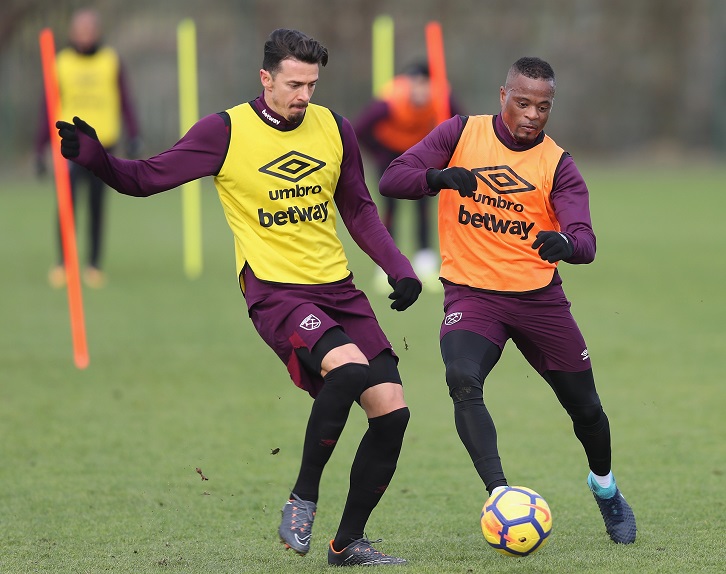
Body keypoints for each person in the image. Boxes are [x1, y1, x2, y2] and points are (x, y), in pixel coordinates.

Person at [56, 28, 420, 566]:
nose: (303, 96)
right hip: (275, 290)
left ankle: (348, 543)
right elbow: (146, 178)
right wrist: (98, 161)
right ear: (265, 78)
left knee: (392, 413)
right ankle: (302, 499)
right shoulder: (225, 131)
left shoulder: (334, 128)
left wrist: (398, 267)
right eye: (294, 84)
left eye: (312, 85)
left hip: (338, 288)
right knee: (346, 372)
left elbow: (360, 208)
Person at [379, 57, 636, 545]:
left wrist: (565, 245)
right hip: (474, 296)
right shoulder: (460, 133)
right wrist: (438, 178)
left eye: (543, 106)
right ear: (503, 97)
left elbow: (585, 240)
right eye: (523, 102)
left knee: (586, 409)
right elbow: (393, 178)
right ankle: (501, 497)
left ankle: (606, 490)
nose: (532, 114)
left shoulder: (558, 164)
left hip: (539, 301)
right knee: (461, 378)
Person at [36, 7, 141, 289]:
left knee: (97, 206)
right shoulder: (61, 62)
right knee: (66, 206)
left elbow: (124, 98)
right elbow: (47, 105)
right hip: (68, 145)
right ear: (72, 32)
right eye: (80, 30)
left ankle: (93, 265)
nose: (85, 35)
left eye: (89, 30)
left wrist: (133, 134)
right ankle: (63, 264)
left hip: (101, 144)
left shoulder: (110, 60)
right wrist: (39, 148)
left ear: (97, 32)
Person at [354, 62, 460, 291]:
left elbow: (463, 124)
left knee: (423, 209)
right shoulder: (390, 102)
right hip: (390, 156)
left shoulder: (442, 98)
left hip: (419, 156)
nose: (421, 91)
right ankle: (386, 268)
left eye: (426, 85)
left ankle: (425, 262)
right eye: (416, 84)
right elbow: (359, 129)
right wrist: (379, 153)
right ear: (408, 84)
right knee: (390, 210)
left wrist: (443, 152)